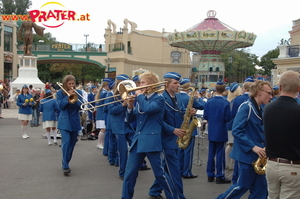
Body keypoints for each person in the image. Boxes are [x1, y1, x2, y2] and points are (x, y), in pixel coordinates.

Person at [122, 71, 177, 199]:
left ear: (151, 85)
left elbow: (148, 109)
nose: (138, 85)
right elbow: (131, 119)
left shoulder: (159, 99)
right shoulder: (143, 99)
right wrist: (130, 106)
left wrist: (140, 96)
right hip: (138, 140)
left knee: (160, 175)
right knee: (129, 174)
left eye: (142, 83)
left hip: (151, 141)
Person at [215, 80, 272, 199]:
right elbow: (236, 130)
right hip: (247, 156)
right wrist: (253, 146)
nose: (271, 96)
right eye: (269, 93)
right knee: (241, 186)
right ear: (259, 92)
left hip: (259, 157)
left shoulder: (261, 109)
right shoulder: (247, 107)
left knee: (261, 190)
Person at [149, 72, 190, 199]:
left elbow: (180, 112)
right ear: (167, 84)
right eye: (176, 83)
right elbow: (158, 121)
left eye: (178, 82)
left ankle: (154, 191)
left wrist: (189, 112)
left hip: (175, 139)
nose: (179, 85)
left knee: (166, 168)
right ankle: (179, 196)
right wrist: (173, 130)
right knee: (174, 170)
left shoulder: (177, 98)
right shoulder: (161, 98)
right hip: (165, 139)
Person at [264, 70, 300, 199]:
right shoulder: (298, 110)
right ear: (298, 88)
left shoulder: (268, 108)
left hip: (272, 165)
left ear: (280, 87)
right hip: (292, 166)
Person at [204, 79, 232, 184]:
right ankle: (219, 175)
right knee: (220, 154)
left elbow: (205, 116)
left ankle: (210, 175)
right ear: (224, 90)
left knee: (211, 153)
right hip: (221, 130)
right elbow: (228, 117)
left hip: (212, 130)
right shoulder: (225, 103)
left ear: (215, 89)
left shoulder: (209, 102)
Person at [107, 74, 135, 180]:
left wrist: (131, 105)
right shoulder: (112, 96)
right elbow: (111, 111)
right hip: (119, 125)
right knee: (122, 151)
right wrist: (123, 104)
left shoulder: (131, 94)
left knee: (135, 146)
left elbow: (133, 111)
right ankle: (122, 172)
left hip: (129, 124)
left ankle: (132, 167)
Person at [178, 77, 204, 179]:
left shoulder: (176, 97)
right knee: (188, 151)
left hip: (179, 127)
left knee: (180, 150)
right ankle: (187, 171)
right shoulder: (190, 98)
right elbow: (202, 106)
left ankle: (179, 170)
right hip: (188, 127)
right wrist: (198, 97)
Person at [56, 75, 83, 175]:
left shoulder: (79, 92)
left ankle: (66, 160)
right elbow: (60, 107)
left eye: (73, 83)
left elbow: (81, 106)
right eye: (69, 84)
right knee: (66, 142)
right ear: (65, 84)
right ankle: (65, 165)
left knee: (72, 143)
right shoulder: (60, 93)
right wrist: (68, 97)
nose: (71, 86)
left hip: (75, 121)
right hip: (64, 121)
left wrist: (75, 98)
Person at [225, 82, 242, 171]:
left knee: (230, 144)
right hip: (234, 125)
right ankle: (231, 164)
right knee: (233, 144)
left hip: (229, 125)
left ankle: (227, 163)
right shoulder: (236, 100)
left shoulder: (229, 100)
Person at [95, 78, 111, 149]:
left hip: (101, 112)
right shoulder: (104, 93)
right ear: (106, 85)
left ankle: (101, 143)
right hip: (102, 112)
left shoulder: (102, 92)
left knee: (103, 129)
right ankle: (99, 143)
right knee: (103, 129)